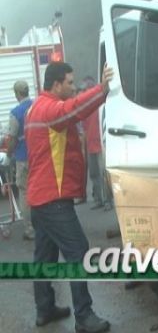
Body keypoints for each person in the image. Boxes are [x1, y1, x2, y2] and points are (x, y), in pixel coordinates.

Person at [25, 61, 113, 333]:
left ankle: (45, 309)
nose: (73, 88)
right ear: (56, 84)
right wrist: (102, 90)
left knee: (44, 259)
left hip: (39, 198)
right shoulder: (50, 108)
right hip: (52, 199)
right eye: (70, 83)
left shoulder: (34, 108)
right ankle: (84, 316)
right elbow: (72, 110)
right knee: (78, 253)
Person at [6, 80, 34, 240]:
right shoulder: (36, 106)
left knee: (24, 192)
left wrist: (8, 156)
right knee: (40, 190)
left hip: (23, 158)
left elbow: (11, 139)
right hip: (38, 156)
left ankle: (30, 230)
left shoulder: (16, 113)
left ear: (17, 94)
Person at [80, 77, 110, 211]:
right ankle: (98, 199)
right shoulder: (86, 107)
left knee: (103, 174)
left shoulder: (100, 103)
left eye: (85, 89)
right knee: (94, 174)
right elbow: (84, 128)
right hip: (91, 145)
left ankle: (108, 201)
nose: (83, 92)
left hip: (100, 145)